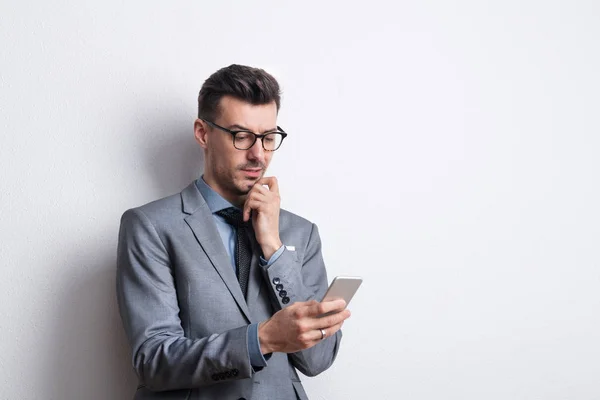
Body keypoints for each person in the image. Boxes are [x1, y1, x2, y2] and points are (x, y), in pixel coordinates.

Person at [116, 64, 351, 400]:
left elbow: (318, 359)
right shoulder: (150, 226)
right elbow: (153, 360)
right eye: (242, 136)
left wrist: (273, 248)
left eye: (269, 138)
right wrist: (262, 340)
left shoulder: (301, 233)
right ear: (202, 133)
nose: (258, 154)